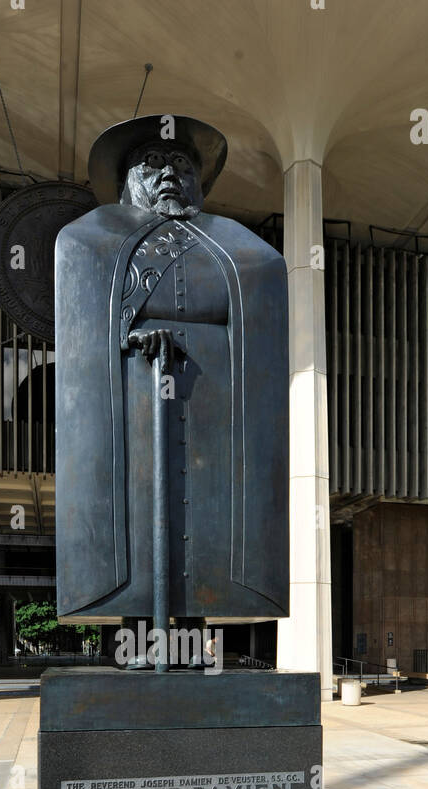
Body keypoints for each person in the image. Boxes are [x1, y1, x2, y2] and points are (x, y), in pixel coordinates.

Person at [54, 114, 289, 635]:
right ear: (124, 183)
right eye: (153, 163)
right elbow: (83, 337)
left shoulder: (244, 248)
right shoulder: (88, 240)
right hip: (132, 415)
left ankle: (196, 634)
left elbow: (264, 327)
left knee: (206, 526)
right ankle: (137, 634)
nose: (168, 176)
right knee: (141, 527)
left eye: (182, 165)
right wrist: (131, 342)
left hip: (212, 411)